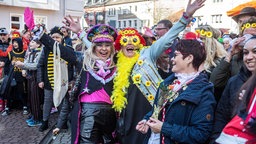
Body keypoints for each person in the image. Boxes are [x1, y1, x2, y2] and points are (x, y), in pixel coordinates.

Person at [64, 1, 206, 143]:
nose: (130, 43)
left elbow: (167, 39)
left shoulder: (147, 54)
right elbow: (96, 49)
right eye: (126, 40)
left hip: (147, 108)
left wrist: (186, 17)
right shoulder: (116, 60)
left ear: (139, 42)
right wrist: (79, 32)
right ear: (120, 44)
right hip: (126, 114)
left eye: (134, 40)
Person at [34, 23, 118, 143]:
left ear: (112, 48)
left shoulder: (118, 62)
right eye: (99, 45)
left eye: (107, 45)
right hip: (89, 114)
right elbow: (60, 50)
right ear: (93, 47)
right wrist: (40, 34)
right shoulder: (84, 60)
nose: (103, 49)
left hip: (111, 115)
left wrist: (81, 33)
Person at [136, 36, 216, 144]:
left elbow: (200, 134)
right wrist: (147, 120)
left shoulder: (203, 92)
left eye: (176, 55)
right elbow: (158, 109)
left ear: (189, 58)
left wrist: (164, 128)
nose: (172, 59)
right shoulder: (168, 82)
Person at [210, 36, 256, 143]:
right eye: (245, 52)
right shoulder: (234, 82)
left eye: (255, 51)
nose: (249, 57)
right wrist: (216, 139)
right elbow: (222, 115)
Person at [15, 39, 44, 126]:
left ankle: (38, 119)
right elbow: (26, 61)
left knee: (35, 99)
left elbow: (36, 66)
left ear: (38, 45)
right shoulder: (30, 52)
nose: (30, 43)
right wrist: (24, 69)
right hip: (30, 77)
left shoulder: (40, 53)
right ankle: (33, 115)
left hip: (36, 77)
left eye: (32, 42)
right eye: (30, 42)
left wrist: (23, 65)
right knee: (31, 98)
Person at [2, 38, 27, 116]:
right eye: (13, 42)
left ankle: (25, 106)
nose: (15, 44)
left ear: (20, 43)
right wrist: (7, 73)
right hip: (12, 75)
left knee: (22, 91)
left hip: (21, 75)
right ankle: (7, 107)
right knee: (10, 91)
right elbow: (6, 65)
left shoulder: (25, 53)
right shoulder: (10, 53)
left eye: (16, 42)